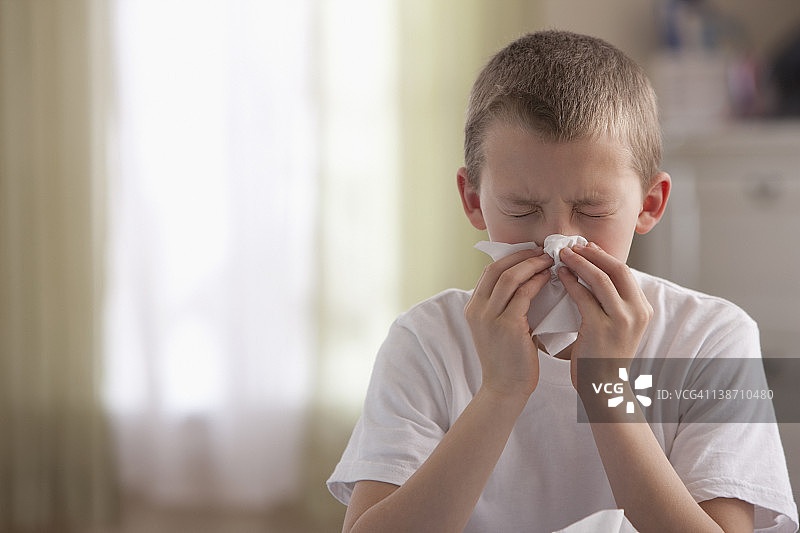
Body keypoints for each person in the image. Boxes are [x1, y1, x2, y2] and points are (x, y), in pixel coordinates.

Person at [327, 30, 798, 533]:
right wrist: (501, 391)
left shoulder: (712, 337)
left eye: (591, 210)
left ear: (650, 204)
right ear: (472, 200)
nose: (557, 241)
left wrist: (607, 385)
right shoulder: (426, 340)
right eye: (521, 210)